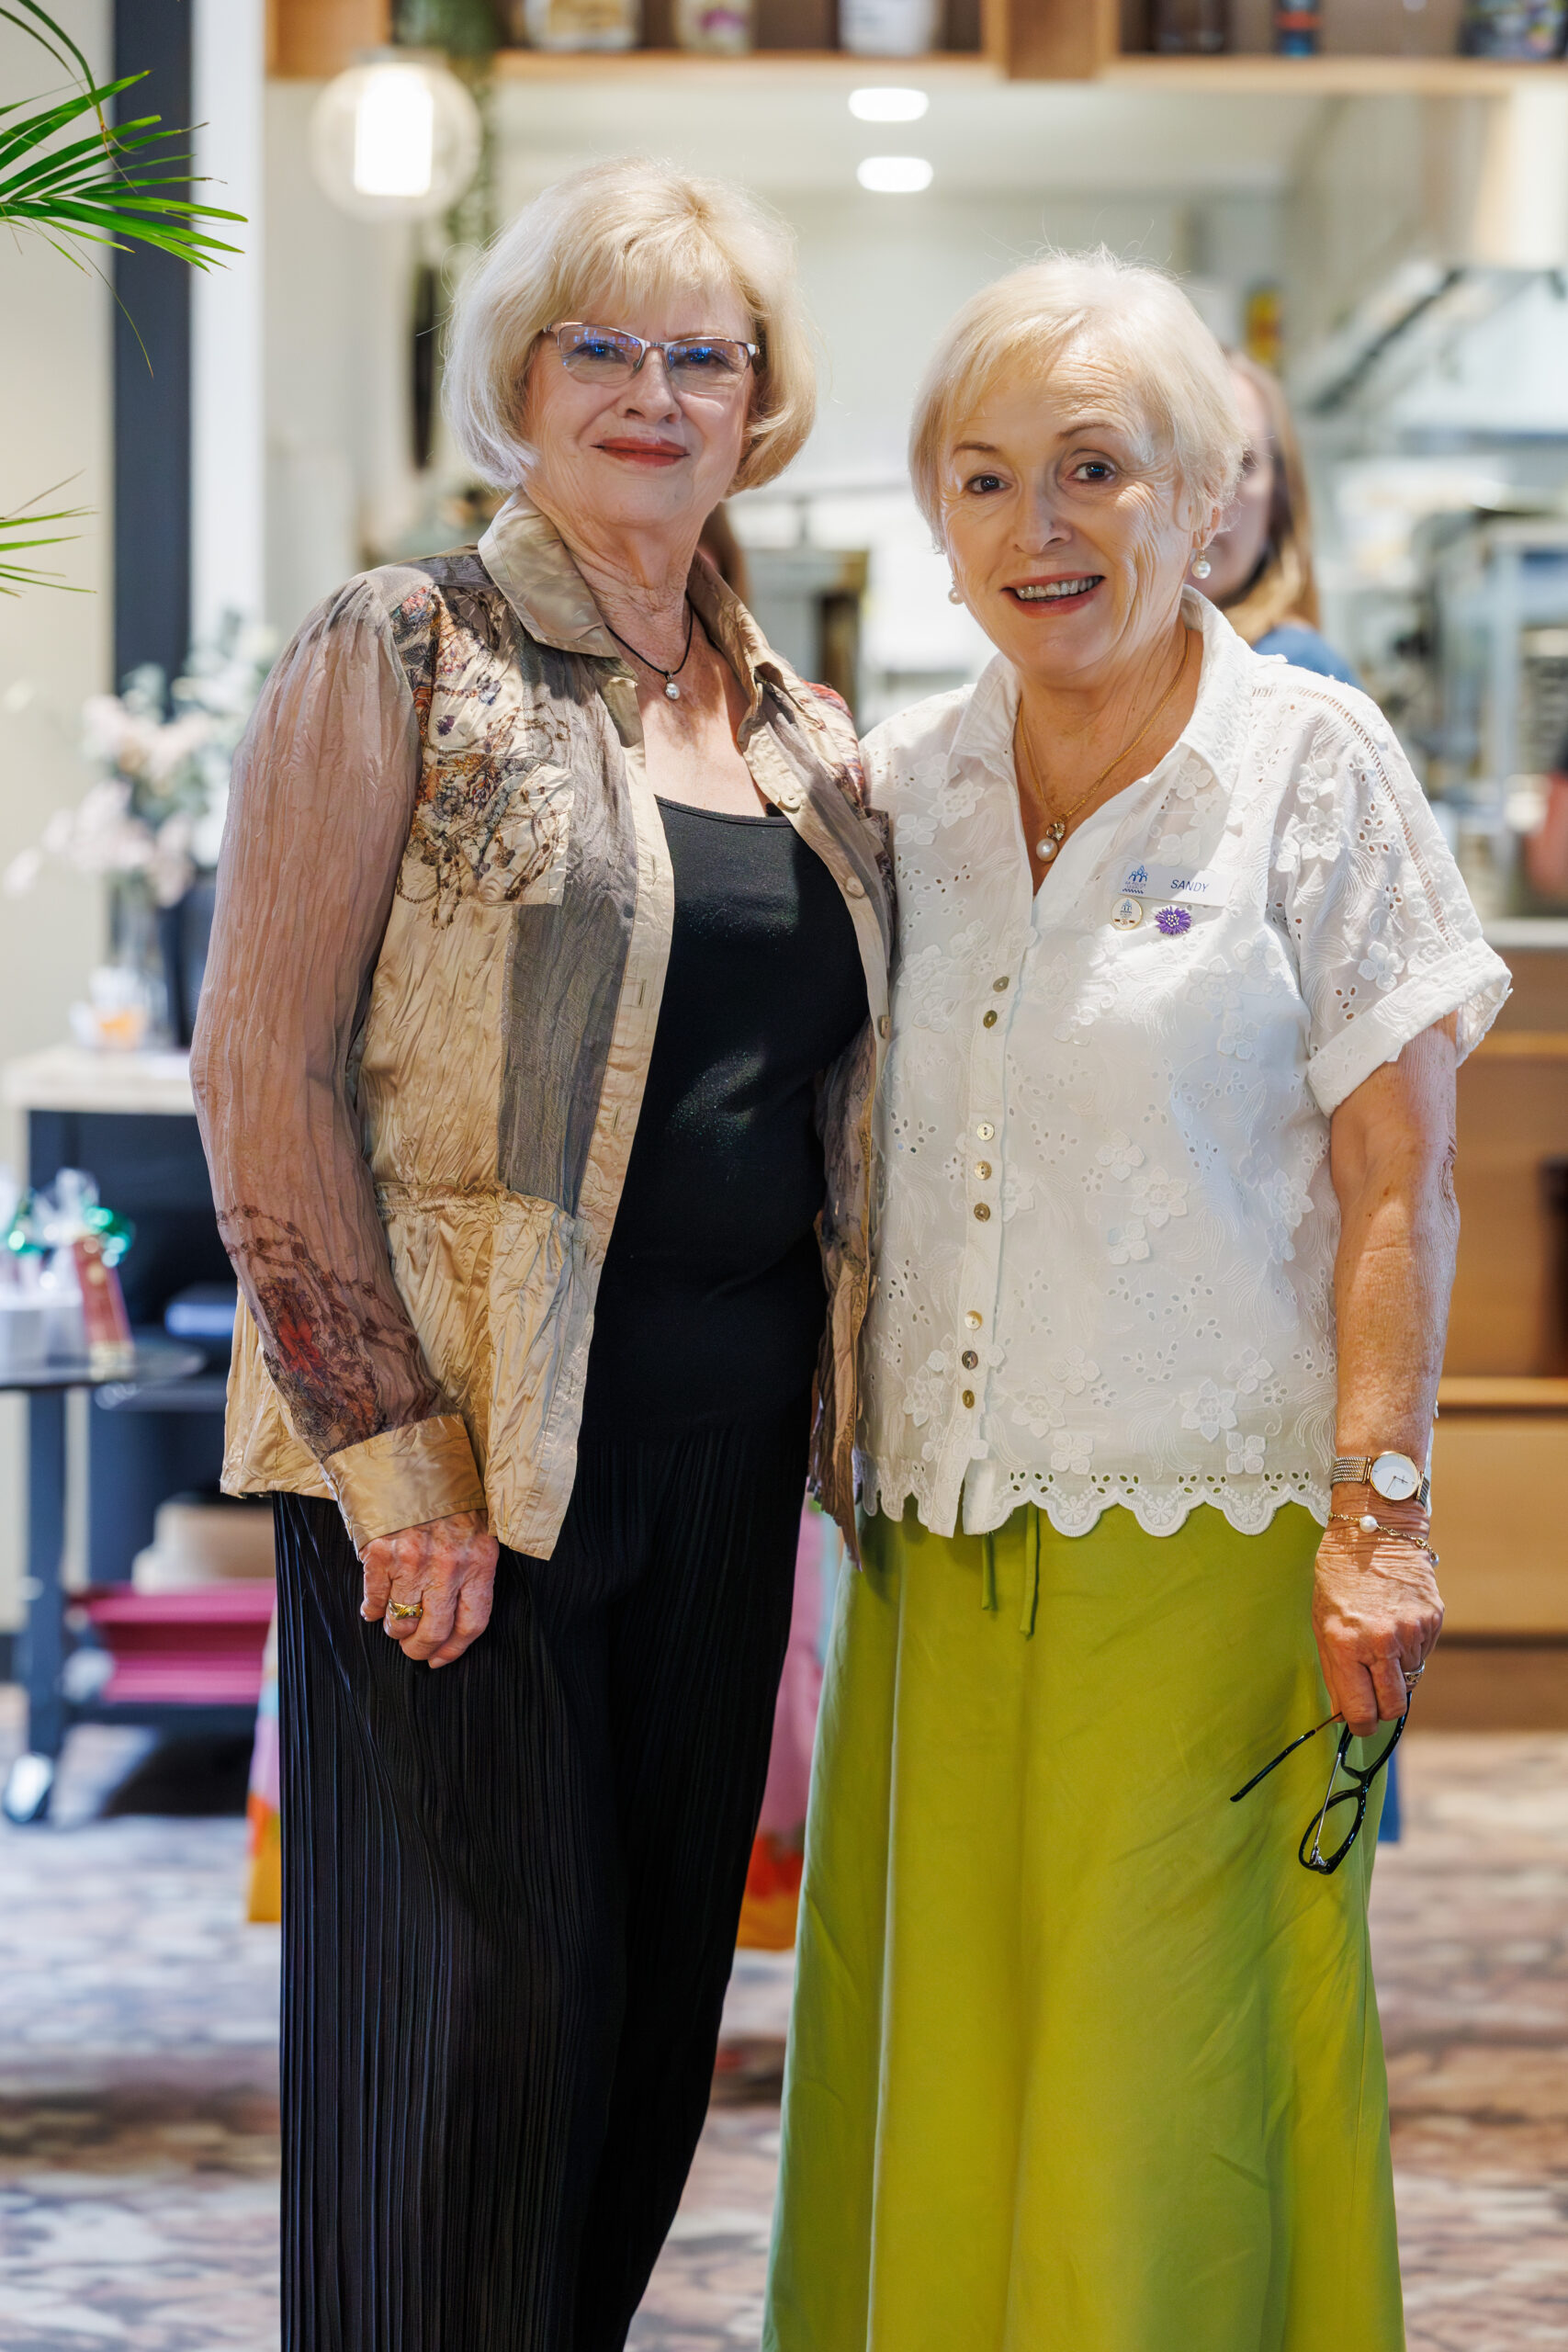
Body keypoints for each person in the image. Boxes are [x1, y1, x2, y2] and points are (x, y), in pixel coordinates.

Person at [765, 252, 1509, 2352]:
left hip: (1207, 1544)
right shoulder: (896, 789)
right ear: (935, 519)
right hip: (926, 1545)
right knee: (932, 2064)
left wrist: (1377, 1511)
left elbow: (1399, 1171)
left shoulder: (1306, 761)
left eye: (1094, 468)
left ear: (1202, 498)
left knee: (1156, 2085)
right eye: (984, 475)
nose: (1040, 525)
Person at [191, 157, 891, 2352]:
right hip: (458, 1464)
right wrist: (394, 1461)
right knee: (466, 2041)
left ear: (760, 402)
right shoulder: (400, 649)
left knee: (638, 2030)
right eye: (600, 344)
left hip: (716, 1463)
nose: (651, 392)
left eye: (701, 354)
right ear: (517, 376)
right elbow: (264, 1068)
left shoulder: (799, 735)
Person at [1197, 346, 1360, 684]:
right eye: (1181, 458)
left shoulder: (1292, 669)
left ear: (1278, 504)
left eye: (1239, 464)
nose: (1208, 497)